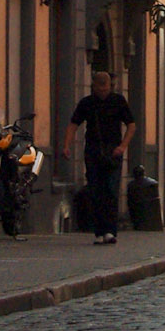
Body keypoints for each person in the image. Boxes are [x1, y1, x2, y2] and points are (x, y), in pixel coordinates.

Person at [63, 72, 136, 245]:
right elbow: (74, 124)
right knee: (95, 190)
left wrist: (123, 146)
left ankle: (110, 230)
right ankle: (99, 231)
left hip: (113, 151)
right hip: (93, 150)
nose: (103, 91)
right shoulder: (87, 103)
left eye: (106, 87)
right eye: (100, 88)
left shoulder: (118, 101)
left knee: (111, 190)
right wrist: (67, 145)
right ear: (93, 86)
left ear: (110, 85)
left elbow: (131, 125)